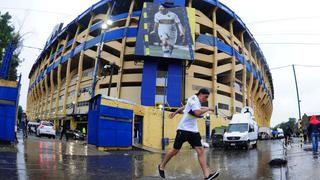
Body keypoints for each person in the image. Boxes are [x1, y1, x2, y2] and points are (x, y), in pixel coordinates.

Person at [158, 88, 219, 179]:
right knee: (175, 150)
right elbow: (197, 112)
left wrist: (175, 112)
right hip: (183, 129)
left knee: (200, 151)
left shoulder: (196, 102)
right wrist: (208, 109)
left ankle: (207, 176)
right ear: (200, 94)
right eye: (205, 97)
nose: (206, 99)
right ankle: (161, 166)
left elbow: (185, 107)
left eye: (207, 98)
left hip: (193, 131)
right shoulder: (194, 99)